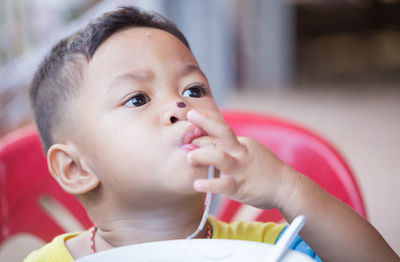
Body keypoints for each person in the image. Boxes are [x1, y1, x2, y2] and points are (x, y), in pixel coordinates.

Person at [24, 6, 399, 262]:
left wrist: (287, 187)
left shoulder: (267, 248)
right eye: (138, 99)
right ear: (75, 168)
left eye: (193, 90)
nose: (181, 107)